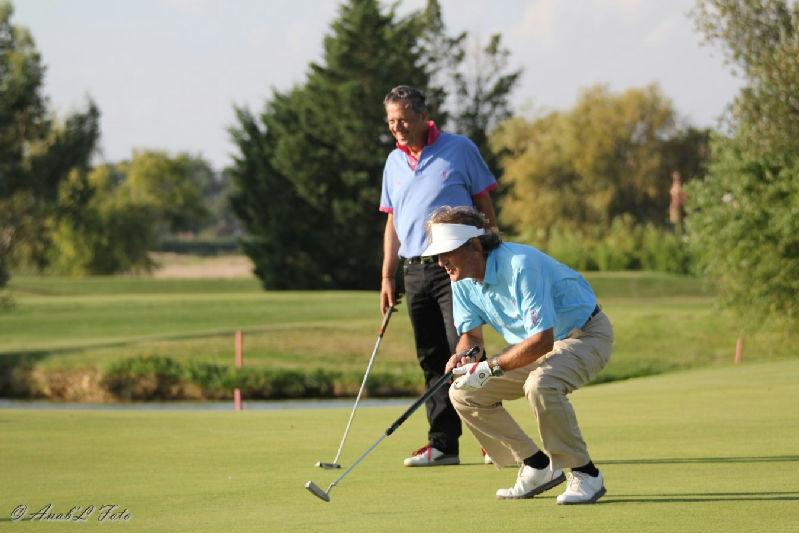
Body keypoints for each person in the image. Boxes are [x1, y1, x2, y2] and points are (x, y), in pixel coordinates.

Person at [422, 205, 613, 504]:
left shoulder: (519, 265)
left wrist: (489, 367)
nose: (441, 262)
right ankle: (536, 466)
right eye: (437, 254)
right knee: (463, 393)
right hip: (534, 345)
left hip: (584, 335)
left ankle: (585, 474)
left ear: (474, 245)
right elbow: (472, 337)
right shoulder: (461, 278)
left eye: (447, 252)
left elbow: (542, 341)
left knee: (541, 385)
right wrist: (465, 357)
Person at [379, 85, 498, 467]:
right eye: (391, 121)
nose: (397, 127)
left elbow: (483, 200)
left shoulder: (459, 148)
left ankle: (492, 438)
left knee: (466, 351)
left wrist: (489, 250)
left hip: (456, 266)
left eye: (403, 120)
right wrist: (387, 276)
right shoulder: (393, 162)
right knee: (431, 359)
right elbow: (393, 222)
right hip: (414, 270)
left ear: (422, 116)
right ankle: (443, 444)